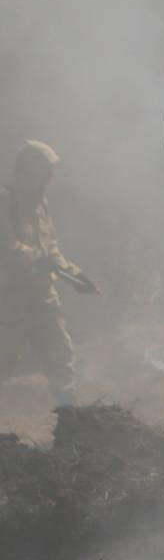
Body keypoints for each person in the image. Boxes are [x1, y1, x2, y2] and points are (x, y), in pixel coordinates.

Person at [1, 140, 96, 409]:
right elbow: (6, 247)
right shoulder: (4, 201)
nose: (50, 178)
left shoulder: (39, 203)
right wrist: (35, 259)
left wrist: (77, 276)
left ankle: (70, 417)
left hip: (43, 298)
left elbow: (51, 250)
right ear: (29, 171)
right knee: (4, 360)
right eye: (46, 172)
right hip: (11, 301)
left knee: (61, 358)